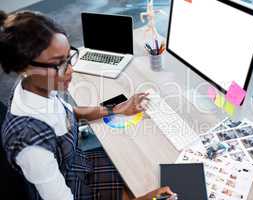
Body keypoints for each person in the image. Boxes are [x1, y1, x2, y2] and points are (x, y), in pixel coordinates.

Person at [0, 10, 174, 200]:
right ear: (24, 66)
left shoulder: (35, 86)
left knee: (146, 166)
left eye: (69, 57)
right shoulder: (31, 145)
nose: (70, 70)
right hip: (72, 188)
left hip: (79, 165)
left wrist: (115, 108)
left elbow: (69, 113)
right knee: (149, 182)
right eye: (58, 64)